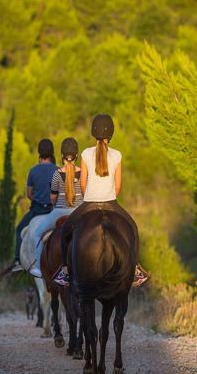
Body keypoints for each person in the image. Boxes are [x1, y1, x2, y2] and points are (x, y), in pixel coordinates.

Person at [53, 114, 149, 287]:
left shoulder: (86, 153)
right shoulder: (117, 155)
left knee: (66, 229)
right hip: (111, 203)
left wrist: (91, 195)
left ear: (93, 133)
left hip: (89, 204)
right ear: (110, 134)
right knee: (133, 228)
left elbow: (82, 184)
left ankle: (65, 271)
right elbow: (118, 185)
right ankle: (135, 269)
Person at [29, 137, 83, 278]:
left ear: (61, 156)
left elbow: (53, 198)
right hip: (78, 213)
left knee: (37, 234)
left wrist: (55, 205)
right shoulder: (83, 173)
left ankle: (40, 269)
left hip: (59, 212)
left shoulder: (57, 173)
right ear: (76, 156)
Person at [12, 139, 58, 272]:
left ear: (39, 153)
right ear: (52, 153)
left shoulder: (33, 171)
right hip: (53, 211)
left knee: (19, 229)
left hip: (37, 210)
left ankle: (18, 261)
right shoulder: (59, 170)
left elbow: (29, 194)